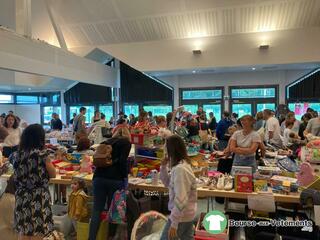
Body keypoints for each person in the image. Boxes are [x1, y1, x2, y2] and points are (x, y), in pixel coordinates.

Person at [10, 124, 56, 239]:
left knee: (23, 229)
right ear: (40, 138)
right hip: (39, 196)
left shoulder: (15, 155)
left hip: (21, 196)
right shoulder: (42, 155)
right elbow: (53, 174)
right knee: (38, 229)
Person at [89, 137, 131, 240]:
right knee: (114, 212)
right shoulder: (126, 143)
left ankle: (91, 238)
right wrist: (125, 176)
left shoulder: (106, 142)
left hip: (98, 177)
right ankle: (110, 237)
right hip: (116, 180)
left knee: (96, 210)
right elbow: (122, 161)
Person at [160, 135, 197, 240]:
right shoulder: (180, 165)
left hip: (182, 216)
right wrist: (163, 167)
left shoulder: (180, 169)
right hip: (186, 214)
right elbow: (168, 184)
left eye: (166, 147)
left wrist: (174, 223)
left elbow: (181, 198)